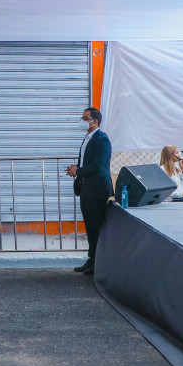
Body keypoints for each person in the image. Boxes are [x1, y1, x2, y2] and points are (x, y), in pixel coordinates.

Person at [67, 107, 112, 275]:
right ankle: (91, 260)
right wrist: (76, 171)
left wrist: (78, 171)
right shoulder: (87, 139)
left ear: (95, 121)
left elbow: (98, 166)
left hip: (97, 189)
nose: (82, 120)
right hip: (87, 188)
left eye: (86, 118)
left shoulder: (102, 139)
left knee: (96, 227)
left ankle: (99, 263)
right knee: (90, 227)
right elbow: (85, 163)